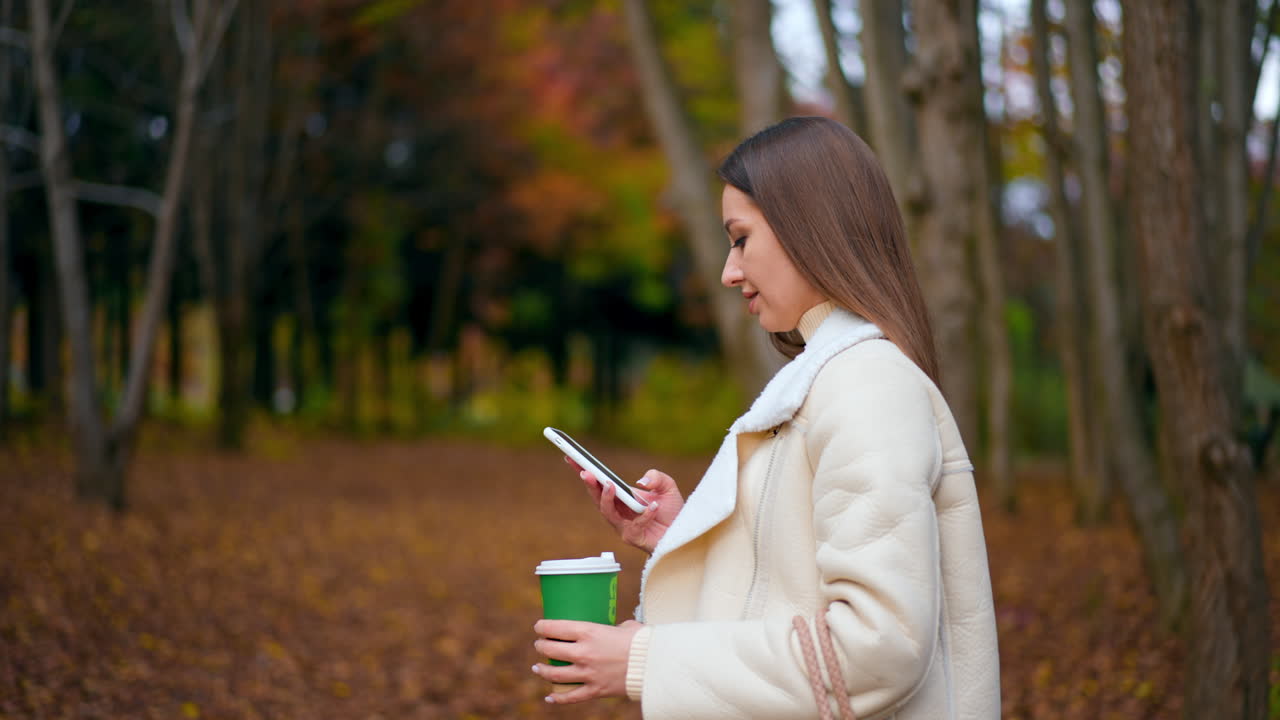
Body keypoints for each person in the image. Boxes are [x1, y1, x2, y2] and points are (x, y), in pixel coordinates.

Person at [532, 116, 1000, 719]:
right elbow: (787, 590)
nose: (730, 271)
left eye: (741, 238)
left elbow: (877, 650)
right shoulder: (826, 382)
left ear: (809, 229)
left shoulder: (867, 385)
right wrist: (680, 537)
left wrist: (645, 659)